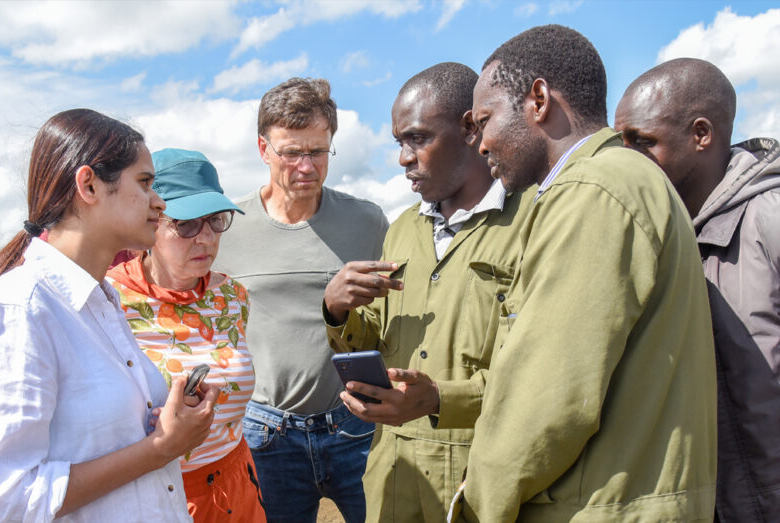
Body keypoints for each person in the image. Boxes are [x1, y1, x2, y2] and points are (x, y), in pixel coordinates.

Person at [452, 25, 718, 521]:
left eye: (486, 120)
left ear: (538, 100)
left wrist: (477, 502)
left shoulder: (594, 190)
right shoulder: (624, 180)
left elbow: (548, 394)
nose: (481, 143)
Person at [322, 62, 535, 521]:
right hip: (393, 473)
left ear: (469, 128)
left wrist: (442, 399)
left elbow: (540, 377)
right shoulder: (401, 229)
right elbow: (377, 336)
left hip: (477, 478)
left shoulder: (531, 222)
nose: (403, 157)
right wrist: (338, 311)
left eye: (417, 138)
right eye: (400, 142)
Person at [0, 109, 217, 522]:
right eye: (145, 183)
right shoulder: (23, 308)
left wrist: (163, 421)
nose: (159, 201)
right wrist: (160, 447)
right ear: (89, 185)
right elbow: (8, 500)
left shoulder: (100, 298)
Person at [213, 77, 388, 522]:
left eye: (318, 151)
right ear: (262, 149)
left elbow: (390, 320)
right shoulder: (226, 229)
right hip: (268, 435)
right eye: (291, 152)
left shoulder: (367, 221)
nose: (306, 166)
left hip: (356, 424)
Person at [614, 58, 780, 522]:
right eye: (619, 143)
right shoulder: (659, 238)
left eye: (642, 142)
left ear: (701, 134)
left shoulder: (769, 219)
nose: (625, 160)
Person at [107, 148, 266, 522]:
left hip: (237, 485)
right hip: (156, 495)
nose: (207, 238)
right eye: (188, 224)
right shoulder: (108, 302)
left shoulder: (232, 296)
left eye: (215, 220)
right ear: (151, 220)